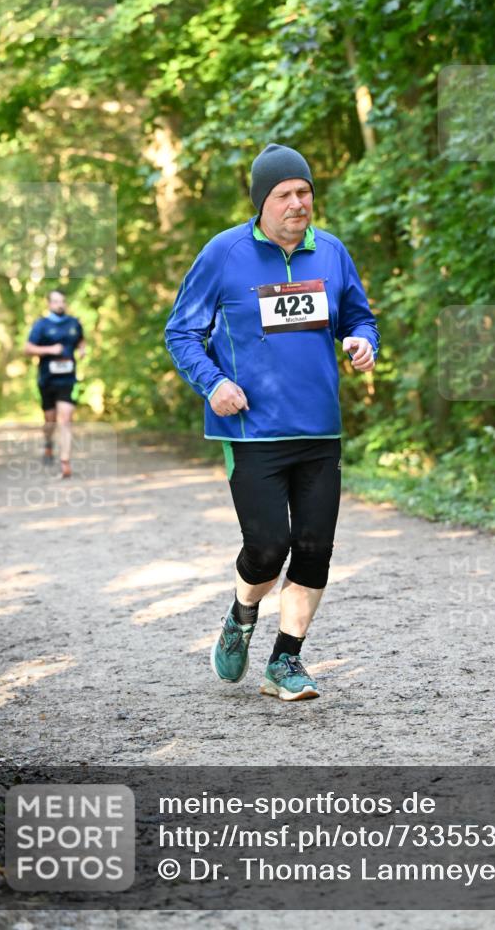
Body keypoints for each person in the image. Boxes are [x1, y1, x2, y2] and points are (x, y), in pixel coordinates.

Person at [165, 143, 379, 701]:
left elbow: (358, 315)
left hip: (318, 429)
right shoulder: (224, 253)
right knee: (267, 547)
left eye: (304, 192)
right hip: (251, 430)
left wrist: (361, 339)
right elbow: (181, 332)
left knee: (314, 547)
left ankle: (286, 661)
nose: (297, 203)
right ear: (262, 201)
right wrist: (213, 384)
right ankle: (241, 615)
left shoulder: (330, 252)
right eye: (284, 194)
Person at [25, 290, 85, 479]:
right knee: (50, 420)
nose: (60, 304)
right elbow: (27, 348)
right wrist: (49, 349)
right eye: (56, 301)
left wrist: (82, 350)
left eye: (62, 301)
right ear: (49, 304)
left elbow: (81, 340)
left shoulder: (74, 323)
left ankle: (65, 462)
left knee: (65, 419)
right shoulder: (41, 325)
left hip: (68, 379)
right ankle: (48, 443)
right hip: (47, 380)